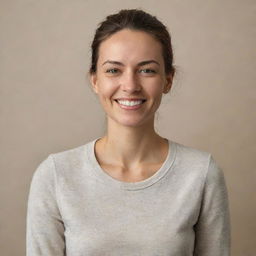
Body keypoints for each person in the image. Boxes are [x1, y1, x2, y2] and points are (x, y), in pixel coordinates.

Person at [26, 9, 231, 256]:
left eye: (147, 70)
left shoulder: (201, 174)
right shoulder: (55, 175)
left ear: (168, 80)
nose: (131, 86)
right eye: (113, 70)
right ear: (95, 80)